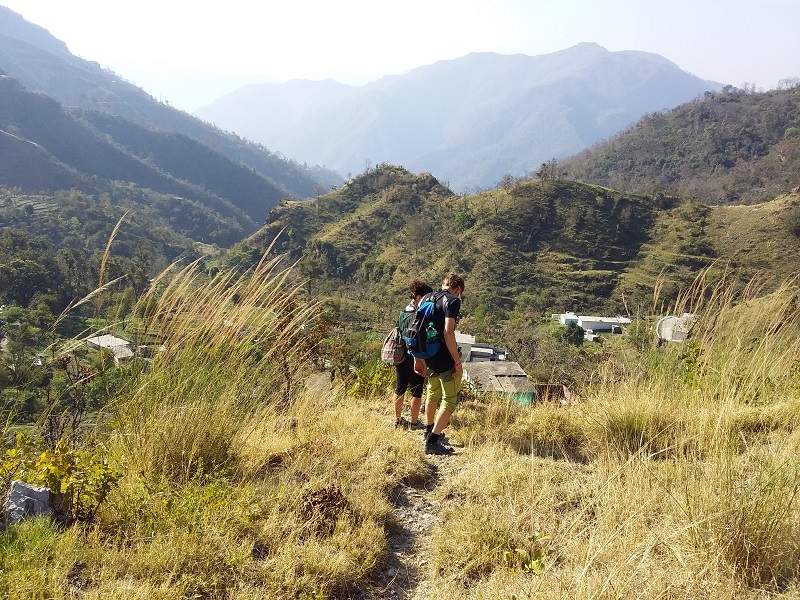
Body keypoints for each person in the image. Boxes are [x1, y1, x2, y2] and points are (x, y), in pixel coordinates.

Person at [414, 273, 465, 455]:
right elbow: (448, 332)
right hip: (443, 357)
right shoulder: (453, 301)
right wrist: (457, 362)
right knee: (450, 399)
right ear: (457, 289)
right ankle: (433, 441)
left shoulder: (427, 297)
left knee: (433, 392)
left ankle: (428, 430)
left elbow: (416, 329)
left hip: (428, 354)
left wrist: (418, 358)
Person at [393, 279, 433, 429]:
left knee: (400, 388)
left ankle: (397, 420)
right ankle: (414, 422)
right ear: (418, 297)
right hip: (417, 357)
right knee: (417, 391)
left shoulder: (402, 313)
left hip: (401, 356)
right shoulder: (419, 315)